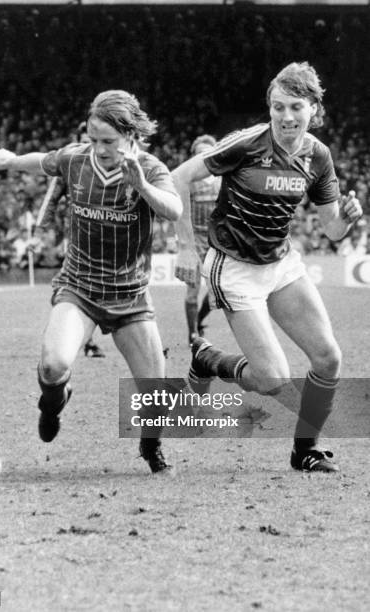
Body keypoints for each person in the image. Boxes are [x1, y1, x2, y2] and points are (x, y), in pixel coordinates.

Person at [172, 62, 362, 473]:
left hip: (280, 264)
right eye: (277, 107)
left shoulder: (317, 155)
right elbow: (179, 177)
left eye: (295, 107)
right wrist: (186, 249)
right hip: (234, 268)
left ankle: (305, 450)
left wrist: (346, 218)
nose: (286, 117)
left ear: (314, 108)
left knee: (328, 358)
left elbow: (331, 230)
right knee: (272, 380)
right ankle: (209, 360)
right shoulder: (246, 143)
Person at [0, 90, 182, 474]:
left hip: (129, 295)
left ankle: (150, 445)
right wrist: (10, 161)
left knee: (156, 393)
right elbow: (41, 162)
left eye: (109, 141)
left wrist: (142, 185)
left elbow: (174, 210)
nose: (100, 148)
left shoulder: (151, 168)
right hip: (79, 287)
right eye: (94, 140)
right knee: (53, 366)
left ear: (131, 136)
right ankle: (52, 402)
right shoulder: (75, 159)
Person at [37, 121, 107, 358]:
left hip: (109, 239)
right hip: (77, 238)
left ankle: (81, 337)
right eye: (86, 141)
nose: (91, 147)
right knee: (76, 288)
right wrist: (39, 232)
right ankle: (80, 338)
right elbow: (51, 199)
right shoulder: (71, 163)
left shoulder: (111, 163)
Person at [184, 135, 221, 345]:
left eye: (206, 153)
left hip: (217, 243)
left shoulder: (222, 181)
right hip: (194, 242)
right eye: (198, 154)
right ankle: (192, 334)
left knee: (217, 293)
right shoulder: (187, 182)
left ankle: (198, 320)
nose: (202, 157)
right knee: (192, 293)